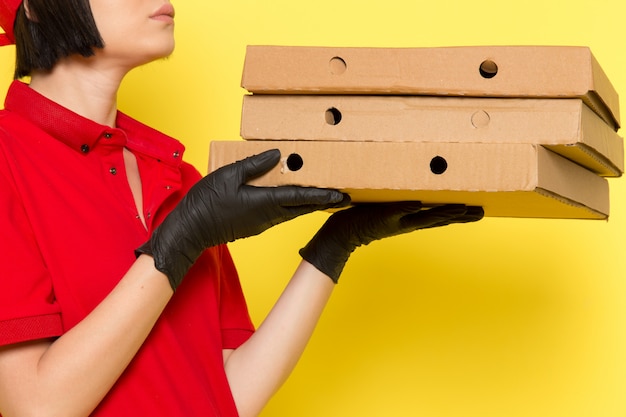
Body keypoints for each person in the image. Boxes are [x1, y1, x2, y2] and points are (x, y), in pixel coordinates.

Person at [0, 1, 484, 416]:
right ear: (39, 6)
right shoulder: (7, 158)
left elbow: (230, 392)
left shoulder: (174, 177)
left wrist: (335, 245)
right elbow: (37, 406)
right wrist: (178, 244)